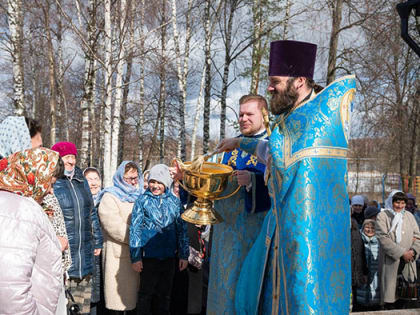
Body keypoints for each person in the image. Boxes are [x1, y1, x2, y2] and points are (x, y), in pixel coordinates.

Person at [216, 40, 356, 313]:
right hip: (280, 232)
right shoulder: (293, 118)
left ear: (300, 81)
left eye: (275, 81)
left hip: (305, 239)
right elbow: (274, 153)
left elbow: (281, 161)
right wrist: (240, 142)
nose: (269, 88)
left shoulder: (314, 120)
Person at [204, 94, 271, 315]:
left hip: (256, 238)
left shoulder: (272, 147)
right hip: (224, 239)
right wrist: (185, 178)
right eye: (240, 114)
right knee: (223, 296)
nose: (243, 118)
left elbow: (282, 187)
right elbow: (207, 179)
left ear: (264, 115)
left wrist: (253, 181)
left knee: (251, 293)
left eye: (249, 114)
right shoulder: (227, 147)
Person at [0, 116, 70, 315]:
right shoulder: (21, 206)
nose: (39, 152)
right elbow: (11, 286)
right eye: (36, 147)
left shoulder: (27, 193)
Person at [130, 164, 189, 315]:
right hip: (149, 256)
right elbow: (135, 229)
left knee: (165, 295)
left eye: (159, 182)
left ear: (166, 183)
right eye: (152, 182)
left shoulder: (175, 202)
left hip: (169, 256)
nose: (155, 186)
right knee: (145, 294)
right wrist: (135, 257)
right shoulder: (142, 201)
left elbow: (182, 229)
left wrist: (183, 254)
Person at [52, 141, 103, 314]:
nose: (71, 161)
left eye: (73, 157)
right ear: (58, 159)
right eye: (66, 157)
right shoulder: (53, 182)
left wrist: (98, 240)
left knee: (83, 306)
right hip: (65, 253)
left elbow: (92, 212)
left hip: (85, 251)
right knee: (66, 305)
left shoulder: (81, 179)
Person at [98, 161, 143, 314]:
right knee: (118, 303)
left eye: (136, 177)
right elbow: (114, 226)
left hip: (137, 256)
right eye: (129, 178)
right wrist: (140, 236)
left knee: (134, 304)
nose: (133, 181)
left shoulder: (140, 196)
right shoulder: (110, 197)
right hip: (118, 258)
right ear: (120, 177)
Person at [376, 191, 420, 309]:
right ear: (391, 201)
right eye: (397, 202)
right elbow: (383, 238)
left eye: (402, 203)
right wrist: (402, 253)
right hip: (391, 262)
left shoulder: (409, 216)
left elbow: (418, 236)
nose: (400, 206)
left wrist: (413, 252)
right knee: (391, 299)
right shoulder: (383, 216)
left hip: (408, 262)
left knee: (406, 298)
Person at [83, 167, 105, 315]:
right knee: (89, 293)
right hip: (89, 251)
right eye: (89, 179)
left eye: (96, 179)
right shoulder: (82, 201)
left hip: (106, 251)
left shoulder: (106, 199)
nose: (93, 183)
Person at [356, 219, 380, 311]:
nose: (369, 230)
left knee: (374, 307)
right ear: (363, 228)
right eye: (367, 227)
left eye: (372, 228)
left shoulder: (380, 243)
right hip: (361, 279)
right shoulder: (358, 241)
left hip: (376, 280)